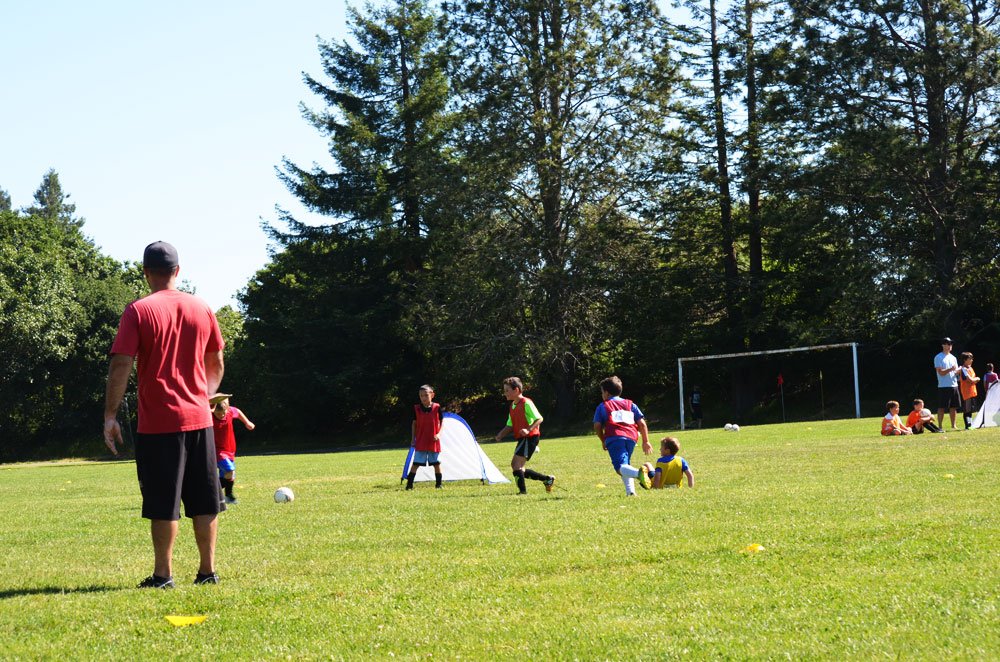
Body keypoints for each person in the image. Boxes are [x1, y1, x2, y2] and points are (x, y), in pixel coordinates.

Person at [103, 241, 225, 589]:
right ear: (177, 271)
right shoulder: (201, 307)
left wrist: (110, 415)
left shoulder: (138, 311)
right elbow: (216, 360)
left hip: (159, 424)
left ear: (146, 273)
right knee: (205, 500)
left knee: (163, 502)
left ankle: (163, 576)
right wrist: (204, 395)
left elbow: (122, 363)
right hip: (200, 420)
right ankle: (207, 572)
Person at [593, 376, 653, 496]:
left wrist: (603, 439)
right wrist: (646, 441)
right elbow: (642, 423)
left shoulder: (603, 406)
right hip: (631, 438)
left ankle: (639, 473)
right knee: (625, 465)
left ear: (606, 393)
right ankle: (630, 492)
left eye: (602, 392)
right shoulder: (631, 404)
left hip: (614, 437)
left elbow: (597, 425)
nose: (602, 395)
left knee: (619, 468)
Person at [494, 377, 555, 494]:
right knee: (519, 467)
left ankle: (523, 492)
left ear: (516, 390)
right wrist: (500, 435)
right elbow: (510, 425)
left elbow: (539, 418)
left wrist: (528, 430)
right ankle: (547, 479)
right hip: (523, 439)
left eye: (507, 390)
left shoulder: (526, 402)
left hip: (530, 437)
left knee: (516, 465)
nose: (505, 393)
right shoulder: (512, 406)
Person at [210, 394, 255, 504]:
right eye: (218, 413)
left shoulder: (230, 411)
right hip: (217, 450)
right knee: (230, 470)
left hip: (230, 449)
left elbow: (237, 412)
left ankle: (224, 495)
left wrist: (247, 422)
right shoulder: (209, 415)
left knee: (227, 475)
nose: (221, 415)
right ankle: (214, 493)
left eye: (223, 413)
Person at [405, 385, 444, 490]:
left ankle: (439, 484)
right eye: (421, 396)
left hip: (433, 441)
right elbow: (414, 424)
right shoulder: (416, 409)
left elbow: (442, 422)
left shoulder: (437, 407)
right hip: (421, 441)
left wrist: (439, 434)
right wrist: (413, 439)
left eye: (426, 395)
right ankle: (409, 485)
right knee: (416, 463)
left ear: (432, 395)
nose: (423, 398)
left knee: (436, 463)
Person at [933, 337, 960, 430]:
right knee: (942, 407)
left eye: (951, 344)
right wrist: (951, 369)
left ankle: (953, 426)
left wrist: (959, 371)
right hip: (943, 386)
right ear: (943, 345)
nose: (950, 345)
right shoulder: (938, 357)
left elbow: (955, 372)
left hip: (954, 385)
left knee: (953, 407)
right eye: (948, 344)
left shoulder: (953, 358)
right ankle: (940, 426)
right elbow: (940, 372)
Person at [958, 351, 980, 429]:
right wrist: (977, 379)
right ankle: (967, 426)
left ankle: (970, 425)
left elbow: (972, 380)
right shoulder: (963, 369)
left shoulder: (970, 368)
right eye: (970, 358)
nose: (972, 360)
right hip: (966, 391)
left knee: (970, 409)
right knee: (967, 409)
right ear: (965, 360)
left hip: (972, 391)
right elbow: (970, 380)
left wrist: (974, 380)